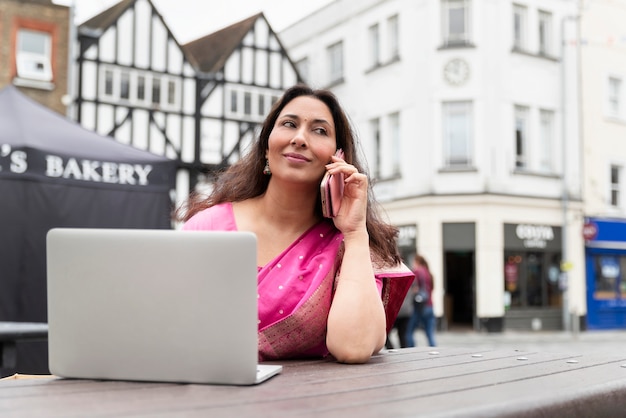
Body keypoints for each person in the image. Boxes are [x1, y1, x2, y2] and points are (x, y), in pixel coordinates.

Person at [177, 84, 413, 364]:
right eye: (289, 124)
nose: (300, 138)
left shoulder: (347, 247)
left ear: (338, 157)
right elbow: (169, 323)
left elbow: (354, 346)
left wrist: (355, 232)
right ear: (266, 147)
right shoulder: (208, 228)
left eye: (319, 130)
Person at [405, 254, 436, 347]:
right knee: (430, 334)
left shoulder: (417, 271)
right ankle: (434, 352)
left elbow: (413, 288)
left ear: (417, 262)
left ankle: (411, 351)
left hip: (419, 306)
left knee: (409, 332)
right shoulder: (429, 273)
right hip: (429, 306)